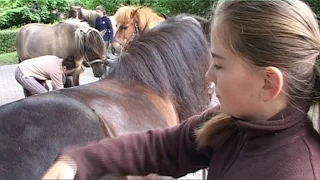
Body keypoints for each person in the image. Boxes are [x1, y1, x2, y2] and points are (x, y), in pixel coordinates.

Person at [42, 0, 320, 179]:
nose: (208, 75)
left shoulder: (298, 171)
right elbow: (160, 147)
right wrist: (77, 160)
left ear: (268, 83)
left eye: (220, 66)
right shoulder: (229, 123)